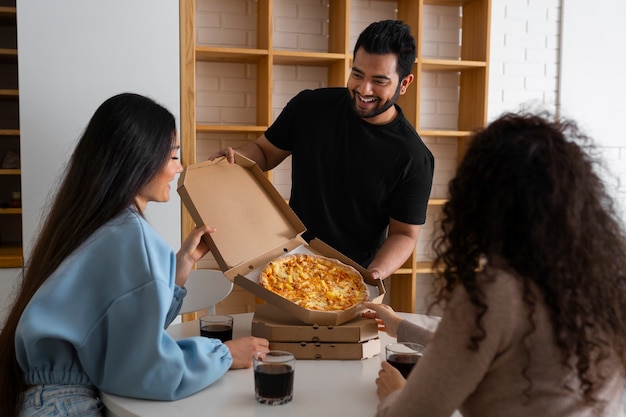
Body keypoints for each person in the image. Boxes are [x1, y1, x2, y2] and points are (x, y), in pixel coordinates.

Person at [0, 93, 269, 417]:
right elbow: (141, 369)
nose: (179, 167)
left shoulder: (95, 223)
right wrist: (224, 354)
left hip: (45, 401)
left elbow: (125, 334)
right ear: (138, 159)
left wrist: (180, 267)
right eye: (172, 156)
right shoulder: (131, 235)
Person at [363, 111, 626, 416]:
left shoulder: (494, 292)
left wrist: (396, 394)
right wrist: (400, 327)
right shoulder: (605, 279)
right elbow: (482, 350)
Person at [211, 20, 434, 279]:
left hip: (351, 276)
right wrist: (237, 157)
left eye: (379, 81)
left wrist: (374, 274)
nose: (364, 89)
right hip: (289, 264)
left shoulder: (414, 157)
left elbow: (404, 233)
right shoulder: (309, 107)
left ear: (404, 83)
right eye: (357, 74)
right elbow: (264, 152)